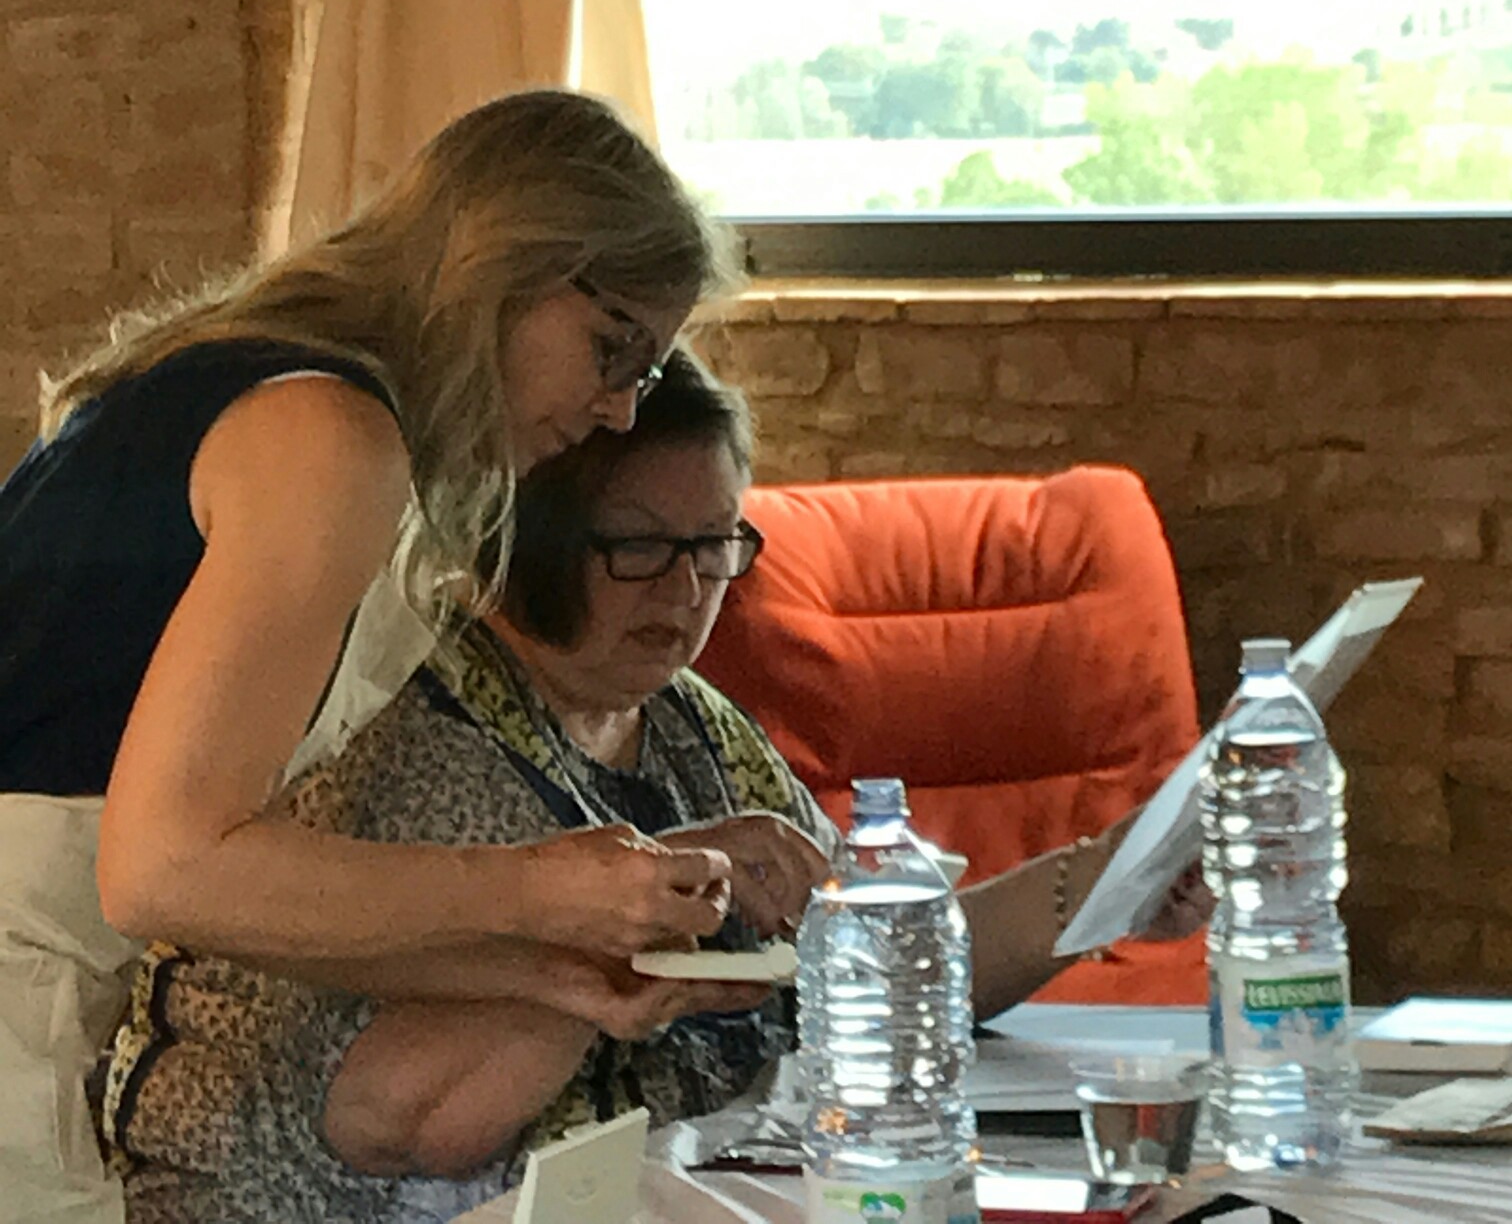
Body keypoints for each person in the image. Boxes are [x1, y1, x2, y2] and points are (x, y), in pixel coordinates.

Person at [98, 349, 1207, 1222]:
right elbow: (403, 1122)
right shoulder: (417, 733)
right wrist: (625, 936)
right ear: (530, 535)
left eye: (715, 545)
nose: (684, 591)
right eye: (637, 548)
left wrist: (1108, 878)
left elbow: (866, 964)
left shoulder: (686, 721)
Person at [0, 89, 748, 1224]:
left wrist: (549, 970)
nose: (617, 412)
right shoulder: (326, 435)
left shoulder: (272, 391)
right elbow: (163, 867)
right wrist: (541, 885)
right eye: (613, 351)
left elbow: (235, 889)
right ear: (501, 263)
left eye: (644, 374)